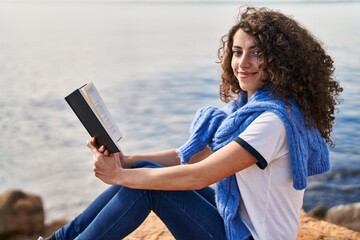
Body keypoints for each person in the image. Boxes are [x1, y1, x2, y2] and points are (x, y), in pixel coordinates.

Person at [41, 6, 343, 240]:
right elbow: (193, 155)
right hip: (237, 224)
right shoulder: (249, 109)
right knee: (141, 170)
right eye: (237, 52)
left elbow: (199, 175)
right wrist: (128, 161)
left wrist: (118, 177)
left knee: (147, 187)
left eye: (257, 52)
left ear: (281, 60)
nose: (243, 63)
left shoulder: (272, 122)